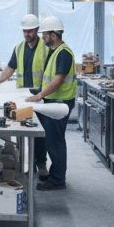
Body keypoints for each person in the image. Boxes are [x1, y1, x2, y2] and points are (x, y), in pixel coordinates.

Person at [0, 13, 49, 178]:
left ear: (37, 30)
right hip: (23, 96)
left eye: (30, 31)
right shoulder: (19, 48)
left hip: (41, 96)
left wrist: (43, 93)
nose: (27, 34)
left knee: (39, 132)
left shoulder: (46, 48)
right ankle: (25, 164)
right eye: (25, 31)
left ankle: (41, 163)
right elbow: (10, 69)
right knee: (22, 130)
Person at [25, 16, 76, 191]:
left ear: (53, 34)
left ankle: (57, 180)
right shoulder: (54, 51)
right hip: (52, 102)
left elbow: (58, 80)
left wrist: (39, 96)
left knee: (55, 142)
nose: (43, 37)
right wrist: (37, 92)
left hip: (59, 104)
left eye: (45, 34)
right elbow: (49, 79)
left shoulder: (63, 53)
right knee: (52, 140)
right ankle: (56, 176)